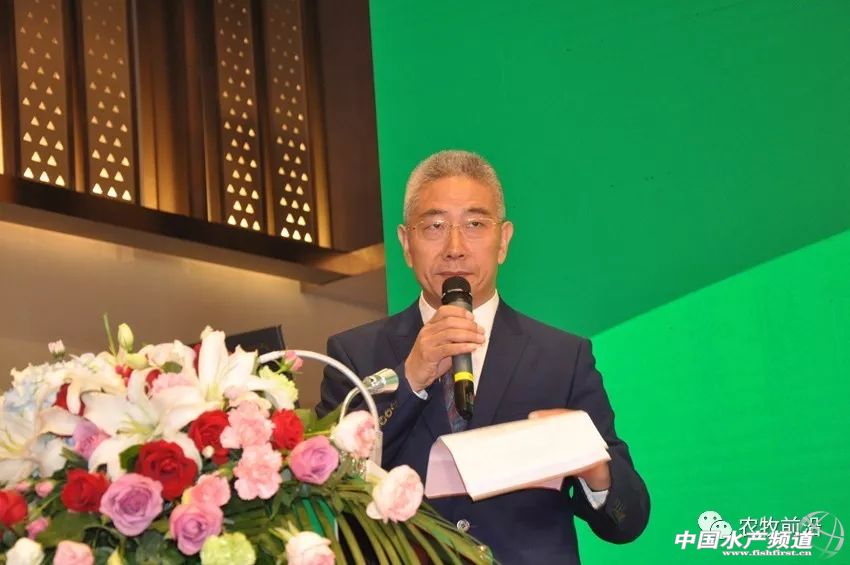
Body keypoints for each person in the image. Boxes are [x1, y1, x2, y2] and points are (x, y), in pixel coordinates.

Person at [318, 150, 650, 563]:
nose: (455, 248)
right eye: (435, 226)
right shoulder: (353, 355)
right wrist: (410, 379)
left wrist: (593, 467)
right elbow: (328, 486)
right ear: (406, 243)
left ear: (504, 240)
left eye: (474, 224)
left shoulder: (563, 357)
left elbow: (627, 521)